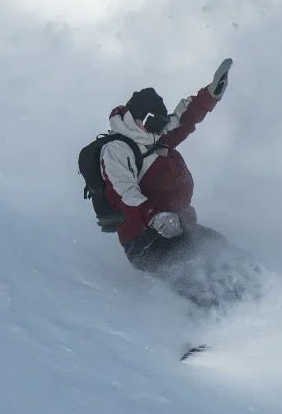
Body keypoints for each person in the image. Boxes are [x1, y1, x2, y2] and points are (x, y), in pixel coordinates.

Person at [96, 58, 255, 305]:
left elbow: (185, 116)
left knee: (229, 257)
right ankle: (217, 334)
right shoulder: (117, 149)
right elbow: (124, 193)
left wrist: (210, 94)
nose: (158, 129)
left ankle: (272, 298)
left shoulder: (155, 135)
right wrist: (154, 216)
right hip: (147, 241)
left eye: (160, 123)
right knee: (204, 282)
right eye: (152, 123)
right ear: (136, 118)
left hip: (179, 228)